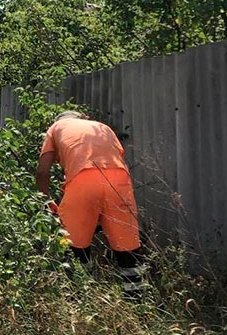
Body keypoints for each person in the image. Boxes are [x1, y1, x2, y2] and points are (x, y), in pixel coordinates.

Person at [36, 111, 146, 295]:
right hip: (119, 180)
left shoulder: (55, 128)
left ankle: (81, 295)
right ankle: (138, 301)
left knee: (74, 245)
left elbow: (42, 172)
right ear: (83, 117)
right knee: (127, 246)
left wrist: (46, 201)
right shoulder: (103, 128)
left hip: (82, 180)